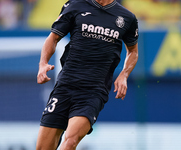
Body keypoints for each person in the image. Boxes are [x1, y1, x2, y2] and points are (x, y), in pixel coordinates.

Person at [36, 0, 139, 149]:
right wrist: (43, 64)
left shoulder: (127, 18)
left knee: (70, 141)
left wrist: (124, 74)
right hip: (65, 85)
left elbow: (133, 51)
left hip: (93, 92)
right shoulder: (75, 5)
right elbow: (53, 38)